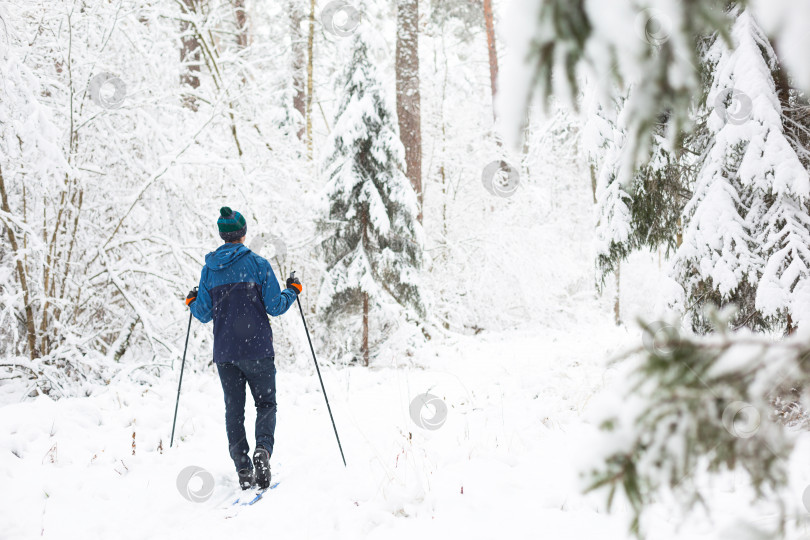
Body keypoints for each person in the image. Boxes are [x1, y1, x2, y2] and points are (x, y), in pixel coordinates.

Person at [184, 207, 302, 490]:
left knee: (233, 411)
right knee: (266, 404)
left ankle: (243, 468)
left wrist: (191, 301)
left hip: (226, 354)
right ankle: (263, 450)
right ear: (243, 233)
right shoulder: (259, 265)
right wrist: (293, 290)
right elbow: (275, 305)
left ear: (222, 235)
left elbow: (202, 313)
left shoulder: (209, 270)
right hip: (258, 349)